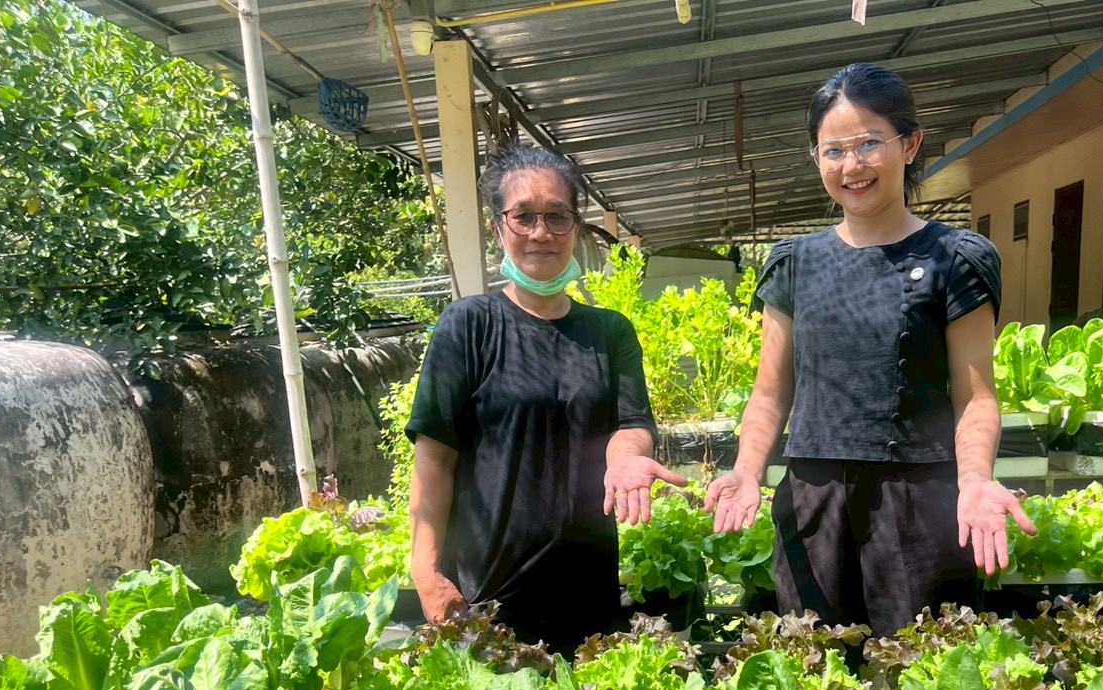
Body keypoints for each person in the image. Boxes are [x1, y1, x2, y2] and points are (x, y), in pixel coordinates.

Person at [705, 63, 1036, 636]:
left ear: (909, 145)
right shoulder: (793, 263)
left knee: (921, 676)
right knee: (820, 679)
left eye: (868, 145)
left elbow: (975, 397)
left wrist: (977, 479)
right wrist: (747, 469)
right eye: (832, 151)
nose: (851, 166)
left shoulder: (955, 257)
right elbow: (770, 391)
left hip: (921, 502)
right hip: (813, 504)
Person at [406, 144, 684, 654]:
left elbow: (633, 421)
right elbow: (435, 457)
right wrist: (426, 570)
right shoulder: (469, 325)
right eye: (524, 216)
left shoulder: (608, 331)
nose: (541, 232)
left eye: (557, 216)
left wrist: (626, 457)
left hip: (587, 591)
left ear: (575, 228)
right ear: (498, 229)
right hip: (485, 593)